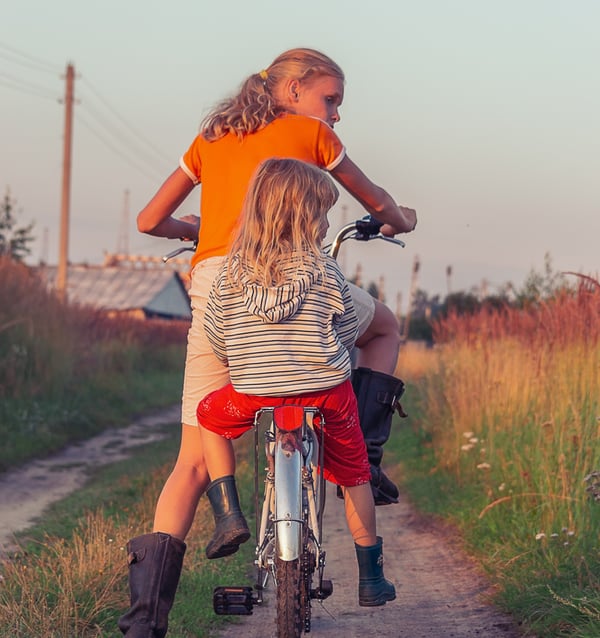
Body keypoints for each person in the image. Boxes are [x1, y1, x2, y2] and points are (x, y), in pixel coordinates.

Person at [119, 47, 415, 637]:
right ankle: (366, 460)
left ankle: (144, 623)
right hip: (298, 272)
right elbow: (377, 201)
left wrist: (196, 230)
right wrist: (399, 218)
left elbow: (150, 220)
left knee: (191, 461)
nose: (334, 114)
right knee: (383, 327)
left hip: (217, 284)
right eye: (331, 99)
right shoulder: (312, 135)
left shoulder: (212, 134)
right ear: (295, 89)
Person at [196, 157, 396, 607]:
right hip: (327, 392)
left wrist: (243, 359)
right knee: (355, 472)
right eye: (322, 214)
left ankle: (228, 514)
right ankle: (370, 576)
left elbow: (216, 333)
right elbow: (344, 327)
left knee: (207, 418)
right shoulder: (325, 270)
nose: (326, 224)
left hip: (254, 391)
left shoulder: (230, 272)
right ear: (303, 217)